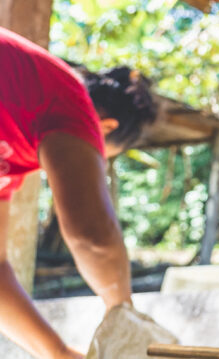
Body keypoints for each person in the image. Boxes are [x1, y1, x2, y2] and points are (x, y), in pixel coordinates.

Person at [0, 27, 158, 359]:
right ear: (105, 128)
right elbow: (92, 236)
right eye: (99, 154)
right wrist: (123, 315)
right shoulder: (71, 97)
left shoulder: (9, 150)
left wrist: (59, 353)